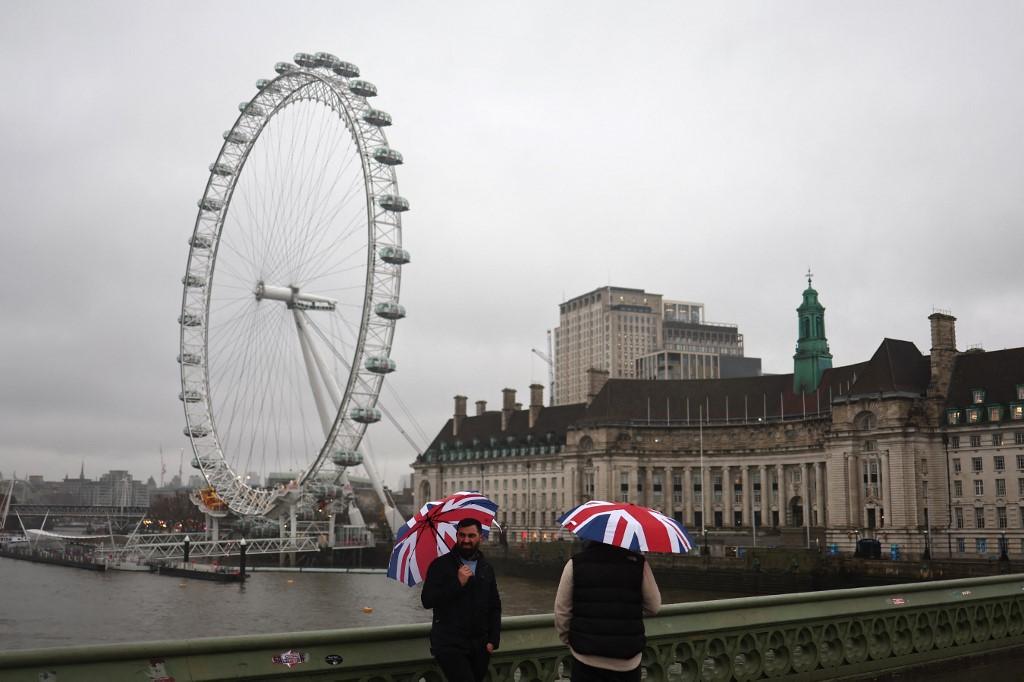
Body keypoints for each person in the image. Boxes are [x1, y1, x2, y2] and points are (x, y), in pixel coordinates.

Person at [553, 541, 661, 681]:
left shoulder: (575, 563)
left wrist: (571, 640)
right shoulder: (638, 563)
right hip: (627, 662)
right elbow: (654, 606)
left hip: (586, 658)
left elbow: (561, 612)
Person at [421, 518, 502, 681]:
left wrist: (493, 640)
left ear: (480, 537)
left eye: (471, 536)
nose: (466, 540)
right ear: (456, 536)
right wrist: (457, 583)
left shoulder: (486, 568)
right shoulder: (440, 565)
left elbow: (494, 606)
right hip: (449, 644)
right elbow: (427, 600)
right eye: (462, 535)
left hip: (479, 645)